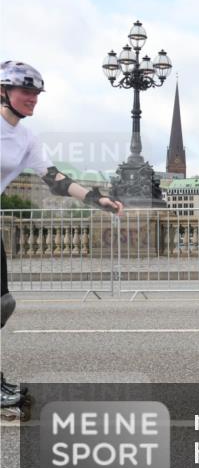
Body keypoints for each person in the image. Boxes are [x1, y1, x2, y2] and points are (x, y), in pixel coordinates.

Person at [1, 60, 124, 419]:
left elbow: (54, 179)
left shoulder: (26, 138)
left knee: (2, 304)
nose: (33, 98)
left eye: (36, 93)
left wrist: (96, 199)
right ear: (3, 92)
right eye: (26, 91)